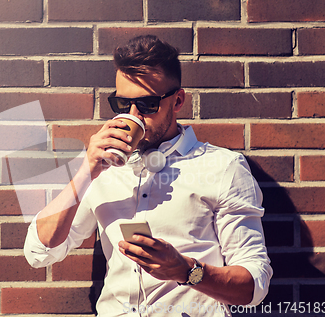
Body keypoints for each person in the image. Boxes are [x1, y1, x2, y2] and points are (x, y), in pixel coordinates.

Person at [24, 35, 272, 316]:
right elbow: (40, 253)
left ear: (177, 101)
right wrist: (86, 171)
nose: (134, 116)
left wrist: (186, 271)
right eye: (122, 104)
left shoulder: (222, 167)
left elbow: (254, 286)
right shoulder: (100, 169)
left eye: (147, 105)